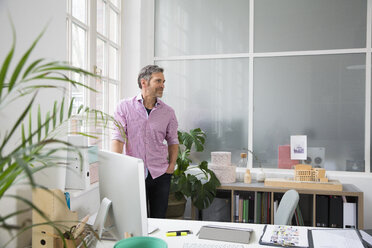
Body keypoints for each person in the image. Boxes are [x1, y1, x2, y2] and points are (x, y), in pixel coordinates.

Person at [111, 65, 179, 218]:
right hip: (133, 174)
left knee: (159, 219)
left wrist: (171, 166)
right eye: (158, 81)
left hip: (161, 174)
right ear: (144, 83)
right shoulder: (124, 107)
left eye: (163, 81)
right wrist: (116, 169)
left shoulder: (168, 112)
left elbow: (173, 140)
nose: (162, 85)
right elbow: (118, 138)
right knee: (135, 220)